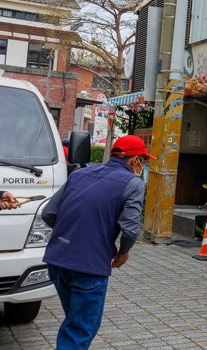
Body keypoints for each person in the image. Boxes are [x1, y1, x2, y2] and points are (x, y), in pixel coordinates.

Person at [42, 135, 156, 349]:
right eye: (143, 160)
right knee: (80, 329)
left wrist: (69, 235)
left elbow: (48, 213)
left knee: (74, 323)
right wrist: (123, 252)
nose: (143, 165)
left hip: (57, 261)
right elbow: (130, 229)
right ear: (133, 161)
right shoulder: (133, 183)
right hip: (89, 267)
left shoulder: (79, 174)